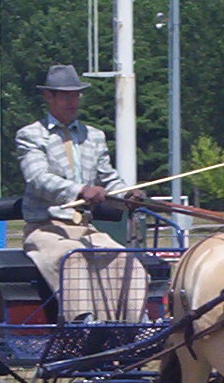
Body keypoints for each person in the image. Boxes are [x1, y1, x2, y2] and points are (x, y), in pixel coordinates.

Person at [16, 64, 149, 322]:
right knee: (73, 258)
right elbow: (38, 179)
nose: (73, 101)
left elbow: (108, 178)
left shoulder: (94, 136)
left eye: (76, 95)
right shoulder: (30, 135)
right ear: (48, 97)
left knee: (123, 256)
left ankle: (137, 323)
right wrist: (80, 190)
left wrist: (127, 195)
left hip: (86, 229)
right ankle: (83, 325)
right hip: (45, 229)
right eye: (65, 95)